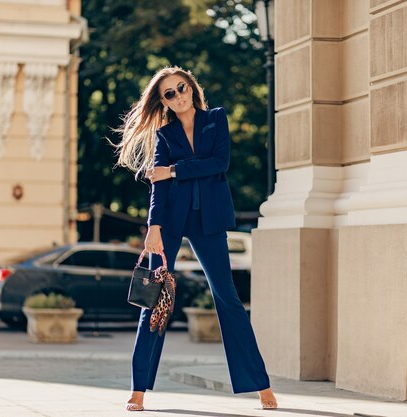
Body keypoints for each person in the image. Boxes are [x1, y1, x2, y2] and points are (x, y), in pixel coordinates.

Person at [114, 66, 278, 412]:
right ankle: (138, 389)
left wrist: (175, 170)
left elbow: (219, 163)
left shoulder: (215, 120)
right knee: (154, 298)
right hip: (171, 220)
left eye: (181, 88)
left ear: (192, 87)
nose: (178, 96)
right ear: (163, 103)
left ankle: (260, 385)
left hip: (210, 221)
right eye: (169, 94)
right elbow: (158, 185)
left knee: (228, 299)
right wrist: (153, 228)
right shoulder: (165, 135)